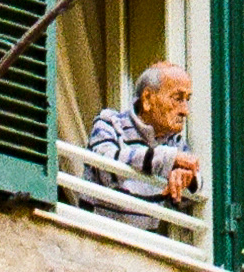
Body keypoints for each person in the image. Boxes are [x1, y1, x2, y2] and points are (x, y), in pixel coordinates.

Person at [86, 63, 201, 203]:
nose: (185, 111)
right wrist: (166, 159)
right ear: (147, 99)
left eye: (187, 100)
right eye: (177, 99)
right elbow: (104, 169)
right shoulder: (109, 122)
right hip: (95, 224)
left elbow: (191, 195)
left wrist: (186, 179)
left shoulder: (174, 142)